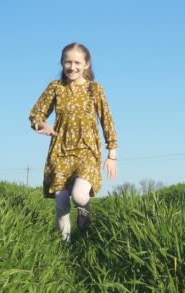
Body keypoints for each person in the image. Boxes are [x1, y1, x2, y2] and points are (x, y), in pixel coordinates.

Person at [29, 42, 118, 242]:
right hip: (60, 150)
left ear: (86, 64)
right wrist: (41, 124)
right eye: (67, 62)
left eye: (77, 62)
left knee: (79, 195)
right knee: (61, 203)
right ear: (62, 63)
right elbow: (36, 113)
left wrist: (112, 154)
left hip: (87, 149)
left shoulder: (95, 89)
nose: (72, 67)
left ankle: (85, 214)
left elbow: (107, 119)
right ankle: (66, 246)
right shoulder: (56, 87)